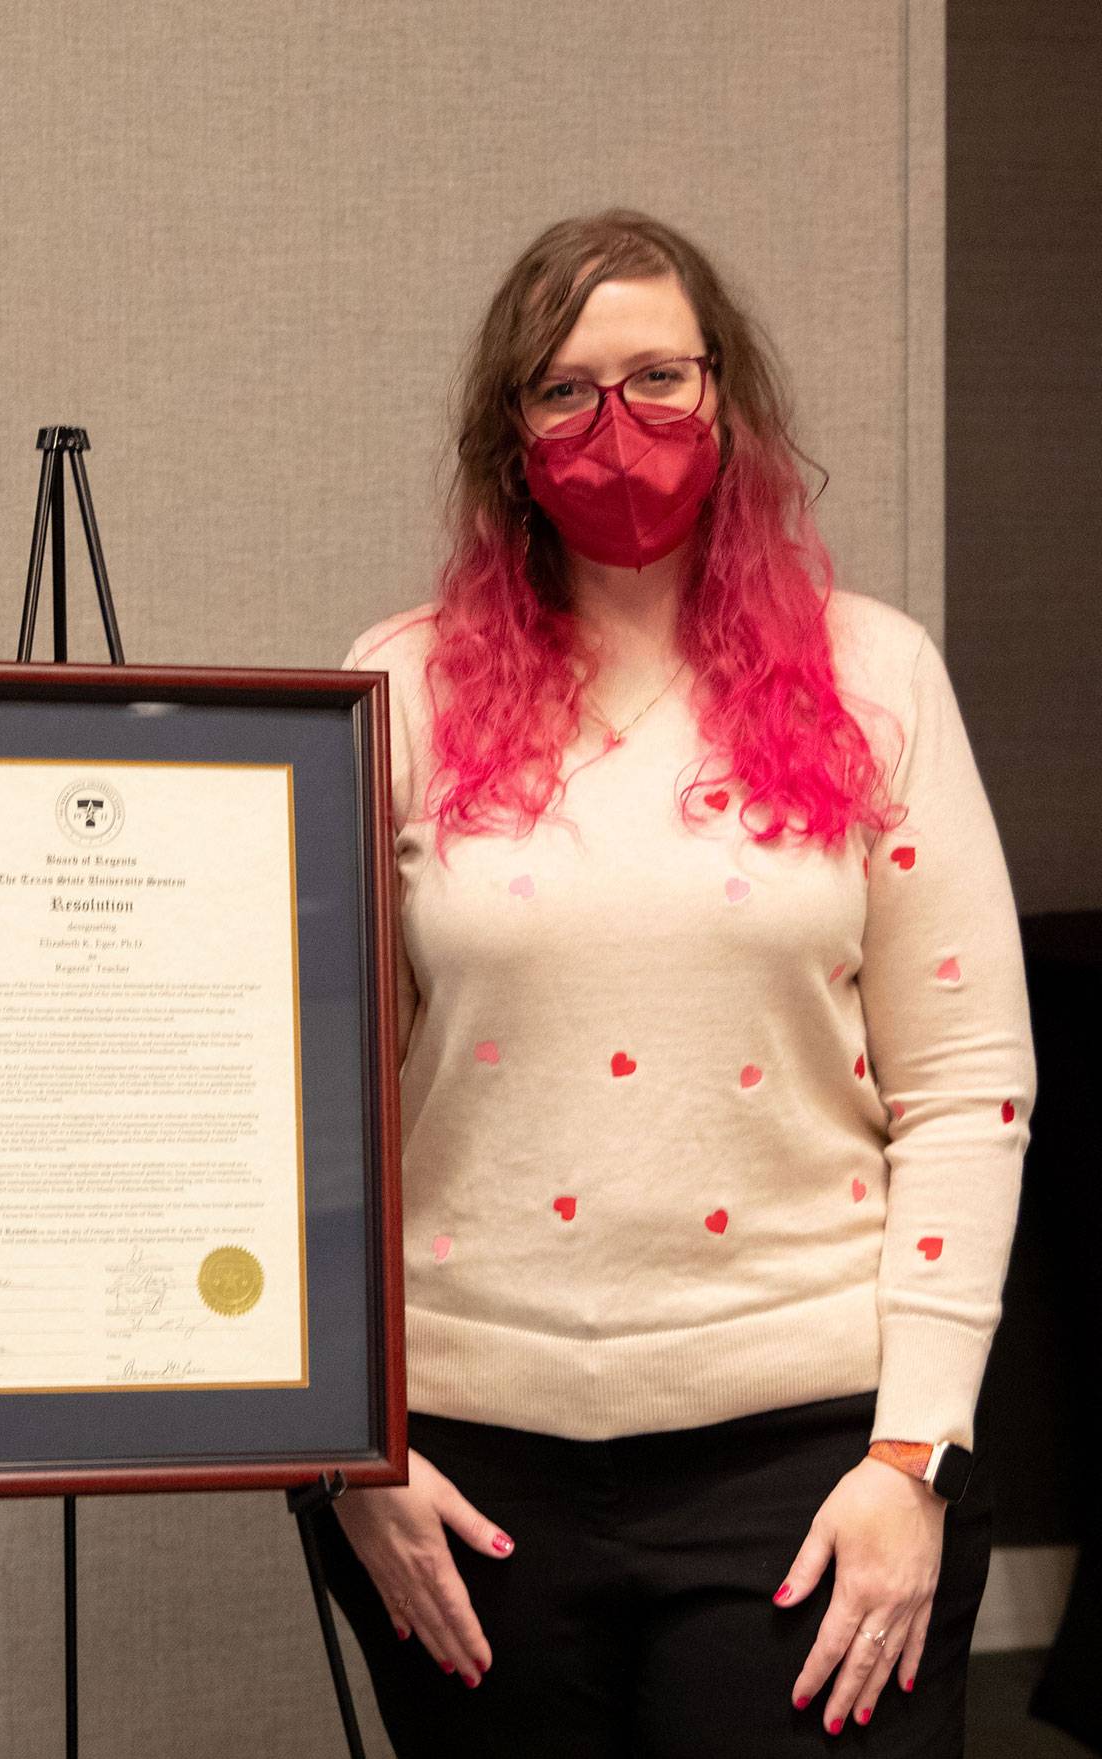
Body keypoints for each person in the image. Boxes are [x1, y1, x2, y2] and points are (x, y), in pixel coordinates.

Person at [326, 211, 1032, 1756]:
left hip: (812, 1473)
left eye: (660, 378)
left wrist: (914, 1460)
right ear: (510, 439)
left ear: (731, 401)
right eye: (565, 392)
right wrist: (343, 1456)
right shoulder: (396, 693)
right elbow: (304, 1113)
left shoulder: (878, 678)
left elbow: (968, 1091)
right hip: (464, 1478)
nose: (618, 429)